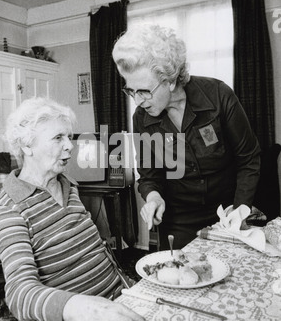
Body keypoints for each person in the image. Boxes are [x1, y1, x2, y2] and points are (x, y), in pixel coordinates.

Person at [0, 97, 155, 321]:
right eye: (58, 138)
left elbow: (95, 251)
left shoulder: (68, 184)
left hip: (115, 303)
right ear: (27, 146)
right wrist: (80, 308)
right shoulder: (9, 208)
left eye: (69, 137)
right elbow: (20, 293)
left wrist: (128, 287)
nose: (69, 146)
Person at [112, 24, 261, 250]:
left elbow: (248, 159)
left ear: (170, 81)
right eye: (131, 91)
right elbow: (149, 175)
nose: (138, 100)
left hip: (228, 212)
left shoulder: (219, 96)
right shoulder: (141, 119)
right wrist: (153, 197)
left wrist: (240, 210)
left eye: (144, 91)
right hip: (178, 221)